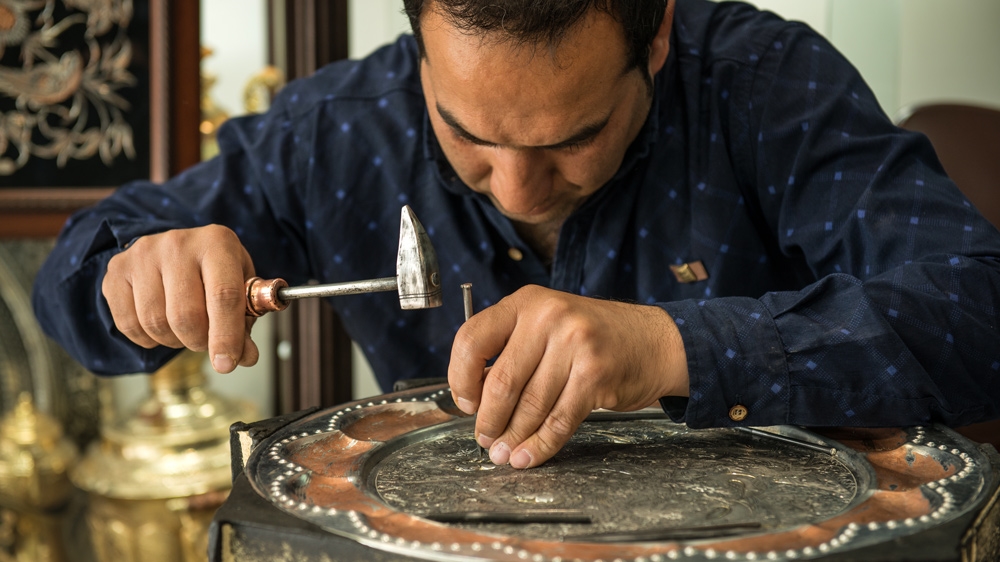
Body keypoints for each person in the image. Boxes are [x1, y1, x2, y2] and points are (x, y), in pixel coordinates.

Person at [32, 0, 1000, 470]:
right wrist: (132, 274)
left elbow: (977, 307)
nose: (518, 185)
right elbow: (71, 278)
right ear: (420, 51)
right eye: (468, 135)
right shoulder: (338, 131)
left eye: (574, 137)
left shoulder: (762, 84)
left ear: (654, 36)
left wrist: (668, 346)